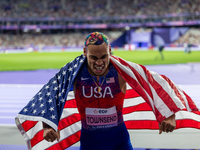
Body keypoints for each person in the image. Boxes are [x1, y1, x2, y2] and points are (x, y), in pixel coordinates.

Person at [16, 32, 199, 150]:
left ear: (110, 51)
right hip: (89, 142)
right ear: (84, 52)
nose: (99, 62)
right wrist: (48, 125)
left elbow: (152, 82)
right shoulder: (74, 73)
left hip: (119, 141)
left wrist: (168, 114)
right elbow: (52, 93)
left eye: (104, 56)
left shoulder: (121, 70)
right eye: (93, 57)